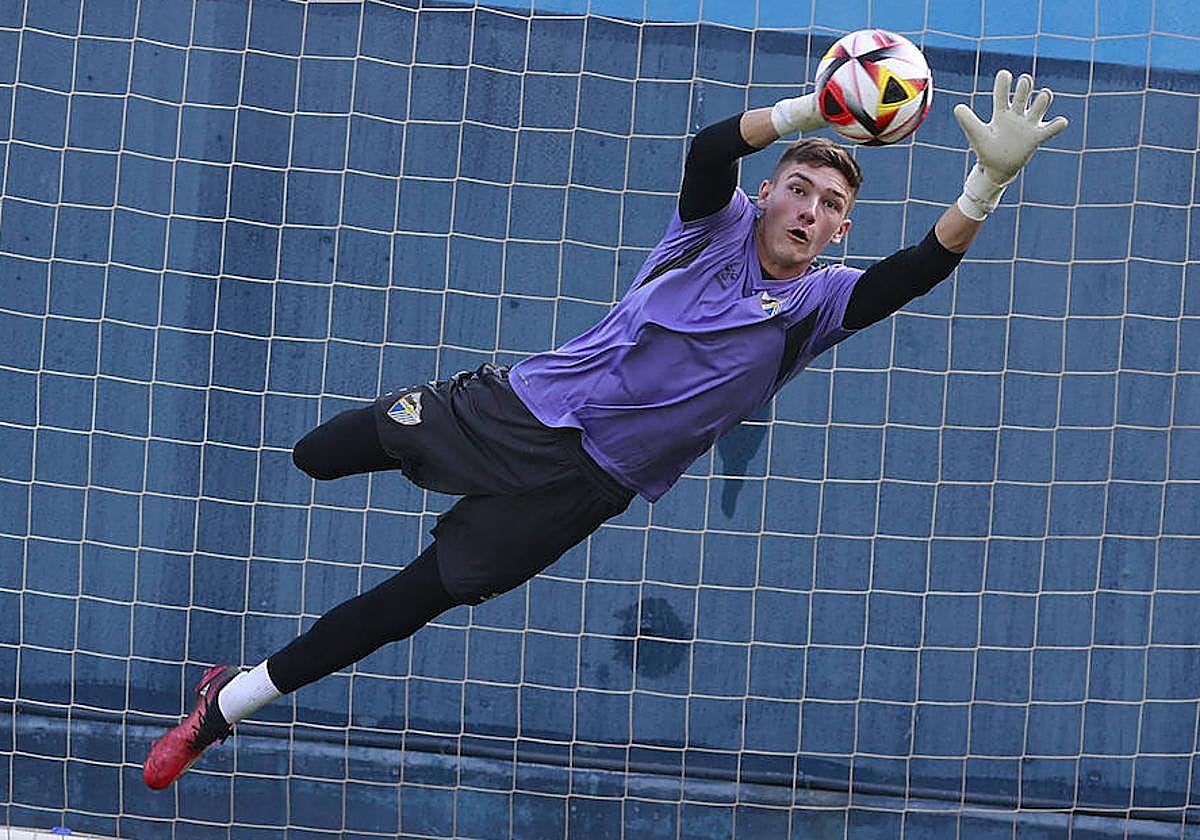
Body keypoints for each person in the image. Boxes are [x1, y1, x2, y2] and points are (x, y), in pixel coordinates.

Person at [142, 69, 1067, 789]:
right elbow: (711, 151)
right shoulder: (714, 230)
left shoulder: (818, 305)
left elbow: (911, 273)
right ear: (772, 194)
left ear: (837, 231)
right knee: (319, 457)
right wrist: (804, 110)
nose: (808, 211)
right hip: (515, 409)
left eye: (829, 207)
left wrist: (985, 183)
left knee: (409, 601)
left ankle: (223, 708)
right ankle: (409, 419)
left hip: (585, 487)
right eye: (797, 189)